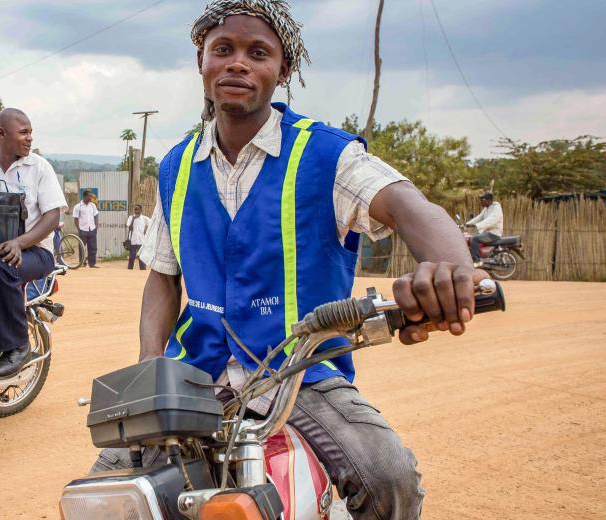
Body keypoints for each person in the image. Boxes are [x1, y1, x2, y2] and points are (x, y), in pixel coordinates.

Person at [93, 2, 489, 519]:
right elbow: (163, 279)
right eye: (223, 50)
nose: (238, 63)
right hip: (196, 373)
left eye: (258, 53)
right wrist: (151, 362)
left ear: (283, 71)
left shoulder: (327, 155)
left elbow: (410, 206)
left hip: (301, 374)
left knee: (390, 479)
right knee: (108, 492)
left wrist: (449, 266)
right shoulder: (176, 166)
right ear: (201, 62)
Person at [0, 108, 67, 378]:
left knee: (5, 268)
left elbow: (53, 215)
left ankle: (18, 344)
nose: (29, 138)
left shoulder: (39, 167)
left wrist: (19, 242)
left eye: (30, 132)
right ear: (1, 134)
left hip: (35, 252)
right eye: (23, 132)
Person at [466, 192, 503, 266]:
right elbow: (479, 217)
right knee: (469, 238)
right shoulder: (486, 209)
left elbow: (491, 221)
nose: (481, 202)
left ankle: (477, 261)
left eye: (482, 200)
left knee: (474, 239)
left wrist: (477, 225)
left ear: (489, 200)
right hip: (487, 233)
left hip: (494, 234)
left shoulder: (496, 209)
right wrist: (467, 224)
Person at [73, 190, 99, 268]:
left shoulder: (93, 206)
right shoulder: (78, 206)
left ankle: (92, 263)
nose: (91, 198)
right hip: (83, 230)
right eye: (89, 196)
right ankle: (82, 263)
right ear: (84, 196)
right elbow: (76, 219)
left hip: (92, 229)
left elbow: (96, 216)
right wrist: (79, 229)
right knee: (82, 247)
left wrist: (96, 227)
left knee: (93, 247)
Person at [125, 204, 150, 270]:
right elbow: (130, 228)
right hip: (133, 241)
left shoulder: (144, 218)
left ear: (141, 210)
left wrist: (147, 233)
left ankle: (142, 271)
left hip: (141, 241)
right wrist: (133, 219)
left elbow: (152, 224)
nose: (135, 211)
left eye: (137, 209)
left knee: (141, 258)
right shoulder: (131, 217)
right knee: (131, 257)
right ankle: (129, 270)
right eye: (135, 209)